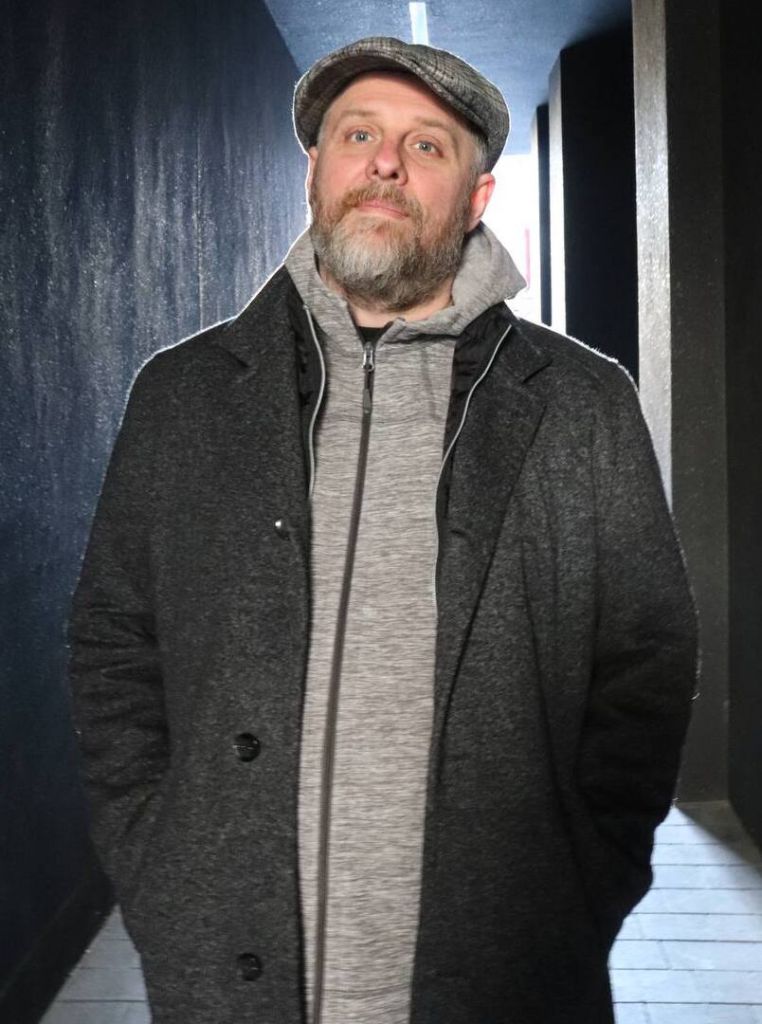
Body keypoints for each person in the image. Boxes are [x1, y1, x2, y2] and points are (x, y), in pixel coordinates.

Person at [68, 35, 698, 1024]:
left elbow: (646, 657)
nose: (386, 164)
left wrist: (586, 875)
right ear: (316, 170)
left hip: (508, 968)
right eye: (358, 135)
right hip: (225, 966)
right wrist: (156, 857)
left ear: (478, 199)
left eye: (427, 145)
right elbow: (114, 637)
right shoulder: (182, 396)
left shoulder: (582, 405)